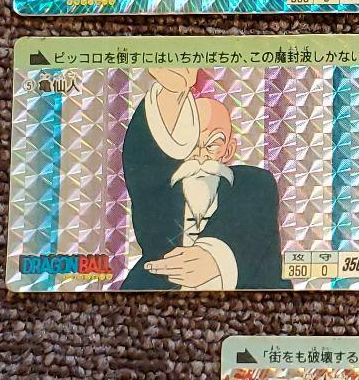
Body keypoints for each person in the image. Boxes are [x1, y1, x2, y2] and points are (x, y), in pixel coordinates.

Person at [120, 66, 290, 291]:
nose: (200, 155)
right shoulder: (160, 190)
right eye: (191, 145)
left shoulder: (252, 184)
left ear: (229, 150)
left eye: (213, 144)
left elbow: (252, 223)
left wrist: (215, 259)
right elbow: (142, 159)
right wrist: (171, 94)